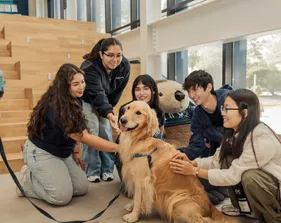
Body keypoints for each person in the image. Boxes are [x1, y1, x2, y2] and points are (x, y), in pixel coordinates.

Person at [170, 89, 281, 223]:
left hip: (276, 190)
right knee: (227, 159)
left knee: (250, 177)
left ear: (244, 113)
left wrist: (195, 171)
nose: (222, 113)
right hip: (263, 184)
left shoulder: (261, 139)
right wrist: (194, 163)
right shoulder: (233, 132)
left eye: (227, 109)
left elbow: (232, 176)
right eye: (223, 108)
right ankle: (244, 208)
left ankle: (274, 217)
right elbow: (217, 160)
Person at [17, 63, 118, 206]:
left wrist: (76, 152)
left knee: (80, 188)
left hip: (62, 152)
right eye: (75, 84)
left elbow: (77, 131)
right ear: (65, 85)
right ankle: (27, 179)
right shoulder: (57, 106)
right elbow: (85, 137)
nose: (81, 87)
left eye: (83, 82)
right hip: (41, 152)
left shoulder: (75, 99)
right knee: (60, 197)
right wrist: (118, 148)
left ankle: (51, 175)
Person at [178, 70, 232, 204]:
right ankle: (219, 191)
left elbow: (237, 135)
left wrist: (211, 133)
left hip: (236, 155)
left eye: (195, 90)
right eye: (189, 92)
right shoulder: (197, 114)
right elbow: (197, 145)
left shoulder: (230, 101)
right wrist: (177, 153)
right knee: (190, 180)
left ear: (209, 87)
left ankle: (224, 189)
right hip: (215, 156)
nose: (192, 95)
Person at [81, 37, 130, 183]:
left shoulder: (125, 65)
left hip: (106, 102)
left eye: (118, 55)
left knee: (106, 132)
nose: (115, 60)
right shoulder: (89, 68)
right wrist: (109, 113)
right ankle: (93, 170)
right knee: (92, 130)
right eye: (110, 55)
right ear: (101, 54)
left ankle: (108, 169)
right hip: (88, 100)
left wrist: (110, 111)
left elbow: (118, 91)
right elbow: (97, 94)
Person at [115, 74, 165, 180]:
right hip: (128, 151)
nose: (141, 93)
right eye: (137, 89)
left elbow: (160, 135)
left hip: (151, 151)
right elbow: (122, 135)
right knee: (131, 188)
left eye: (145, 88)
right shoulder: (125, 108)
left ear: (153, 90)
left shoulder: (159, 111)